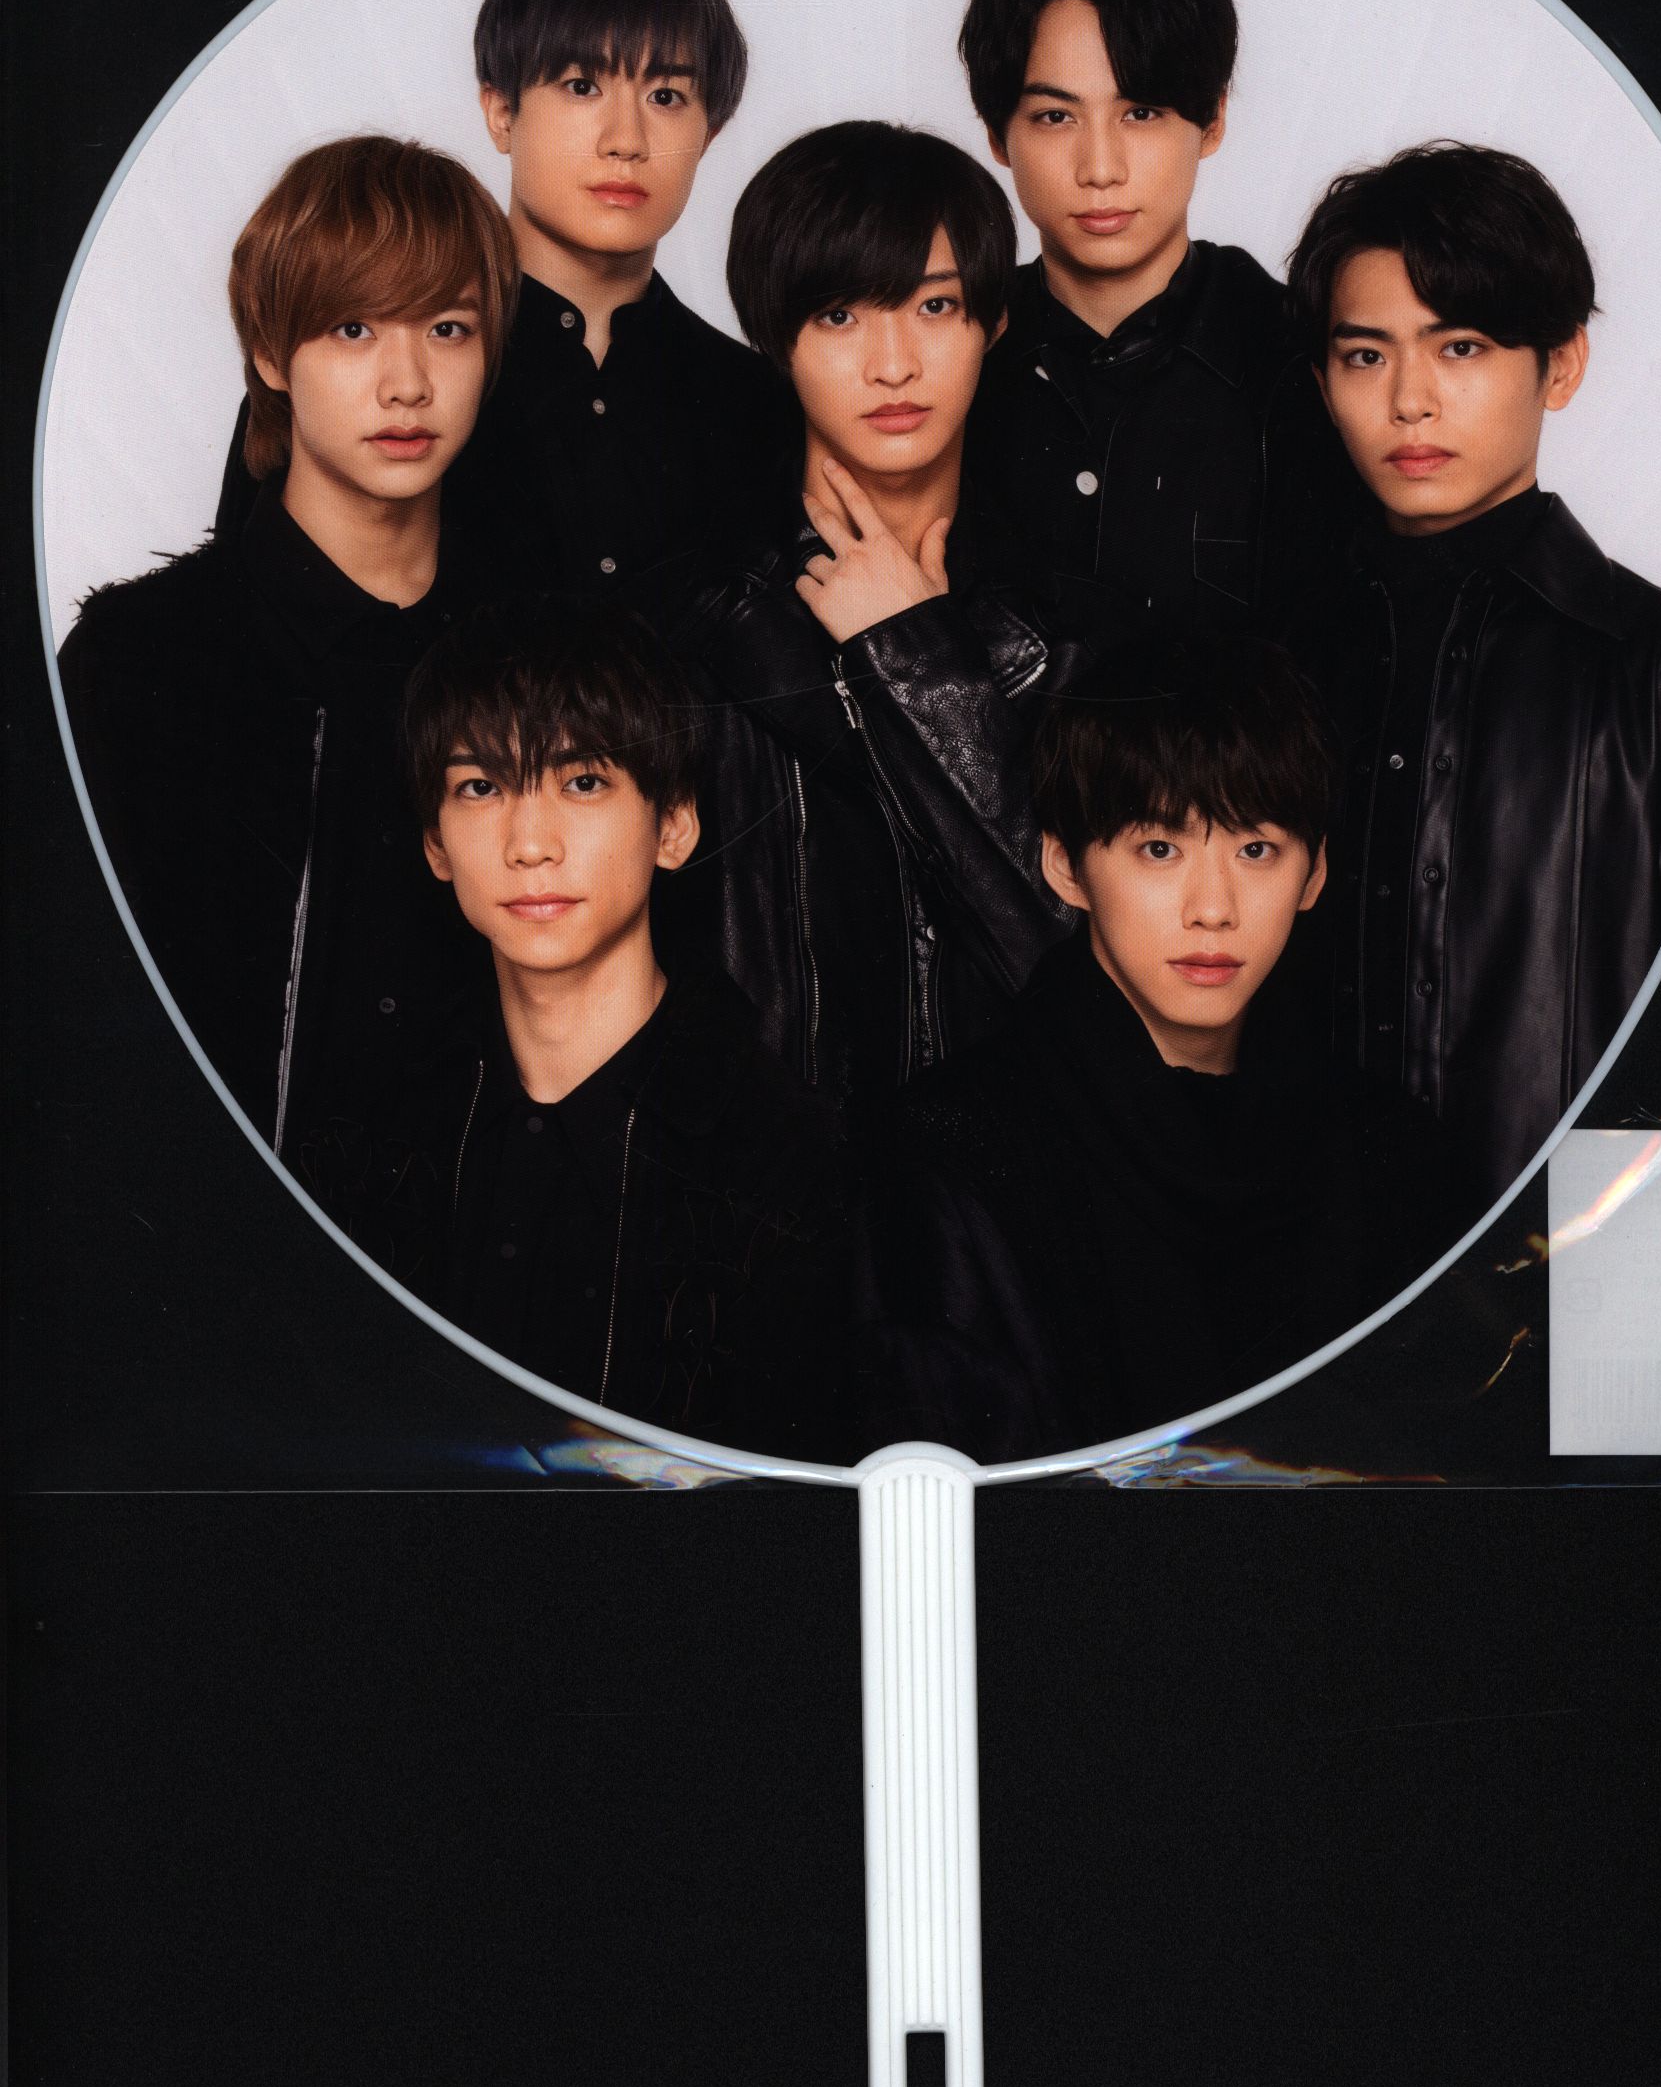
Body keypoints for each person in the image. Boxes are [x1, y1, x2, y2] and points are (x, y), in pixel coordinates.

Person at [854, 639, 1462, 1463]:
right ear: (1065, 866)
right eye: (1159, 849)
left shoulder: (1390, 1151)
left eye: (1255, 850)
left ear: (1314, 874)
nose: (1212, 909)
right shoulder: (948, 1151)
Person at [1284, 141, 1661, 1198]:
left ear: (1561, 365)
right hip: (1309, 1268)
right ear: (1320, 380)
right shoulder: (1283, 663)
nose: (1409, 401)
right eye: (1365, 356)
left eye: (1461, 347)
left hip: (1573, 1263)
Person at [59, 135, 517, 1156]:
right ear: (271, 354)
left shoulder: (535, 656)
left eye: (447, 328)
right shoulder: (137, 662)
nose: (407, 383)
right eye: (354, 328)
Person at [334, 602, 850, 1456]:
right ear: (435, 843)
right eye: (480, 787)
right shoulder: (371, 1134)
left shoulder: (788, 1159)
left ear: (672, 826)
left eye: (582, 782)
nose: (530, 844)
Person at [667, 119, 1082, 1118]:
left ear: (992, 322)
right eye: (840, 315)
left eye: (935, 306)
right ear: (773, 335)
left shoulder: (1063, 625)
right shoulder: (694, 623)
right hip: (766, 1184)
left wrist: (913, 651)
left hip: (1009, 1181)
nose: (893, 364)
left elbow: (1084, 976)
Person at [955, 0, 1349, 643]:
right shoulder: (939, 357)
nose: (1100, 168)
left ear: (1212, 121)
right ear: (996, 135)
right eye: (1054, 117)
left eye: (1140, 112)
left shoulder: (1304, 357)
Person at [466, 0, 800, 594]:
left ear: (709, 134)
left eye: (665, 97)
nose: (626, 140)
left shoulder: (759, 402)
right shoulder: (398, 369)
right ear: (501, 113)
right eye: (582, 86)